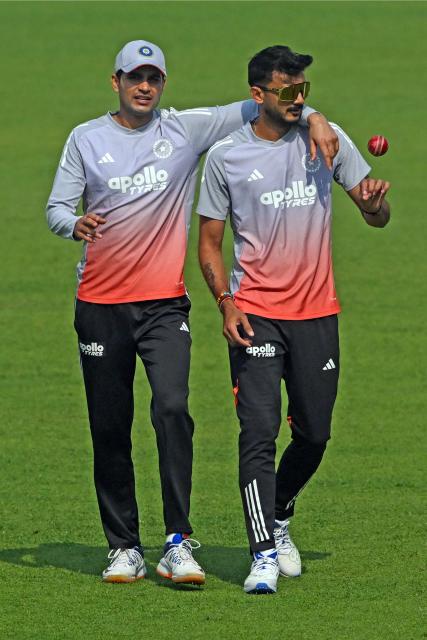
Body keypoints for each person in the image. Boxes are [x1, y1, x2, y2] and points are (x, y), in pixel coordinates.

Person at [46, 39, 339, 585]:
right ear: (116, 82)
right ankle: (124, 547)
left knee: (173, 410)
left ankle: (177, 540)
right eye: (135, 77)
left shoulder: (183, 130)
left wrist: (317, 115)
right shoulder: (85, 139)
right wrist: (74, 224)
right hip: (99, 307)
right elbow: (57, 207)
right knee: (109, 427)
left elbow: (264, 103)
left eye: (154, 78)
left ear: (162, 84)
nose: (144, 86)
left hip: (163, 307)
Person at [197, 45, 390, 594]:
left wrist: (375, 202)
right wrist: (225, 304)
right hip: (255, 315)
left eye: (303, 90)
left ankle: (279, 512)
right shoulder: (226, 159)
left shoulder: (326, 138)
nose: (300, 99)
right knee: (257, 432)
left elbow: (374, 215)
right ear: (258, 95)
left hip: (316, 314)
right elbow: (209, 244)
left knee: (315, 433)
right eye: (287, 91)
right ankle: (261, 553)